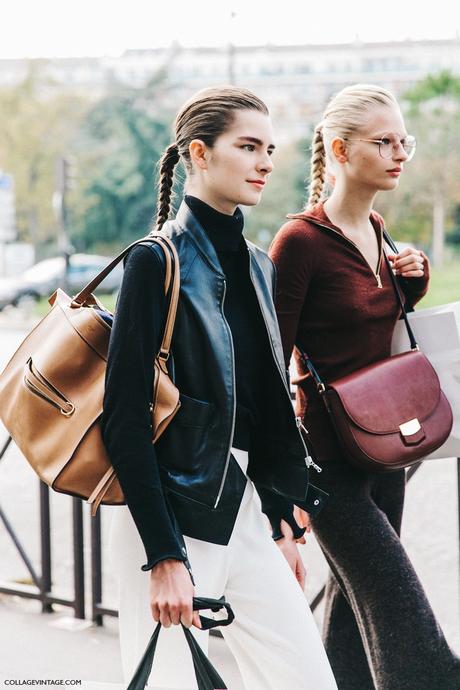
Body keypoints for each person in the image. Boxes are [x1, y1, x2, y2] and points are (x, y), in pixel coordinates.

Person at [101, 85, 337, 690]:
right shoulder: (156, 260)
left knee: (307, 678)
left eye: (270, 148)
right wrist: (164, 557)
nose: (265, 162)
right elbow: (125, 419)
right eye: (248, 146)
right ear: (199, 155)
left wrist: (281, 517)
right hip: (171, 510)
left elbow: (262, 403)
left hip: (244, 509)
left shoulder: (260, 264)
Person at [269, 83, 460, 690]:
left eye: (404, 139)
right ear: (341, 150)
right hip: (329, 463)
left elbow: (372, 322)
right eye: (383, 142)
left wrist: (415, 277)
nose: (399, 152)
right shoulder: (299, 242)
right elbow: (272, 357)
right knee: (396, 603)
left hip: (385, 449)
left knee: (358, 611)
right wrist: (281, 480)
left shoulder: (378, 228)